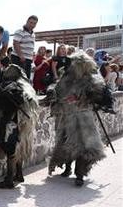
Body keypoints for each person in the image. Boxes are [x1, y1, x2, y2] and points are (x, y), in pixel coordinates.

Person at [48, 53, 114, 186]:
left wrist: (81, 97)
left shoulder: (90, 78)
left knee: (85, 147)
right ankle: (67, 168)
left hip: (84, 118)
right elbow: (57, 91)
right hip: (67, 116)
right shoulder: (67, 77)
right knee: (66, 143)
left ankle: (80, 174)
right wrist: (53, 96)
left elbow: (99, 94)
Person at [0, 64, 39, 189]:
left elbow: (2, 102)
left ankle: (9, 179)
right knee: (20, 144)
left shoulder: (13, 86)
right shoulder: (28, 87)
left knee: (11, 148)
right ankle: (19, 173)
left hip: (15, 119)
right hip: (27, 120)